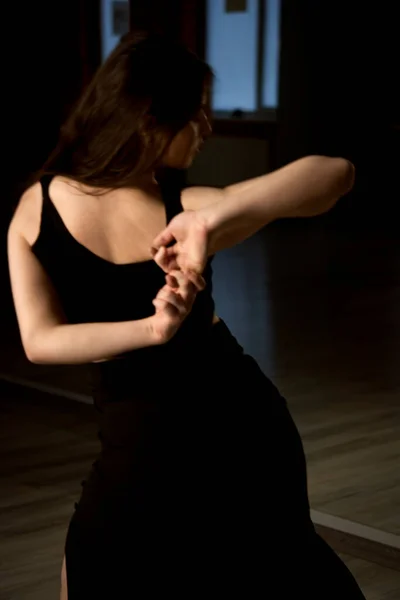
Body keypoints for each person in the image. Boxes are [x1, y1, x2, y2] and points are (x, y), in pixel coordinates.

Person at [7, 33, 365, 599]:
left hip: (238, 433)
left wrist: (207, 221)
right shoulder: (45, 208)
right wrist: (153, 329)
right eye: (197, 113)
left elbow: (336, 175)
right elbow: (40, 340)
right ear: (151, 120)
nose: (207, 127)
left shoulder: (184, 209)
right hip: (149, 442)